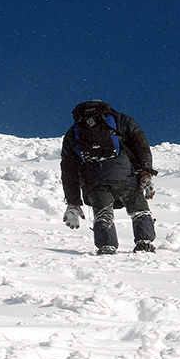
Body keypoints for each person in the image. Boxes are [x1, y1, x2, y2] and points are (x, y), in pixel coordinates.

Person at [60, 100, 158, 255]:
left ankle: (106, 247)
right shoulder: (121, 120)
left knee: (102, 214)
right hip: (126, 176)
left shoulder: (73, 132)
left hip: (94, 181)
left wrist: (73, 202)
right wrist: (145, 172)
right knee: (139, 210)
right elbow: (140, 145)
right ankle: (144, 243)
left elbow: (68, 170)